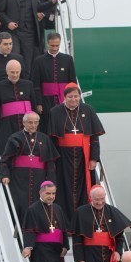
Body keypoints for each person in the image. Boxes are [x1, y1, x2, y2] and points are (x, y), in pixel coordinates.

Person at [48, 84, 105, 223]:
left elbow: (94, 138)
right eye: (70, 96)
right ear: (64, 97)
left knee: (83, 190)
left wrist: (94, 158)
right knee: (64, 189)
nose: (73, 99)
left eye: (76, 96)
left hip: (83, 157)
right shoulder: (55, 111)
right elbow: (52, 139)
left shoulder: (88, 110)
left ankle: (82, 220)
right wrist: (54, 160)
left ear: (80, 96)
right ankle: (65, 221)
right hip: (63, 157)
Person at [0, 0, 58, 78]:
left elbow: (38, 6)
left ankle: (26, 85)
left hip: (29, 32)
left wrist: (52, 2)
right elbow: (0, 11)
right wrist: (8, 22)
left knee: (28, 62)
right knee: (14, 57)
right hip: (14, 32)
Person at [0, 112, 59, 222]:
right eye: (30, 122)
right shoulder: (15, 137)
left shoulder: (44, 138)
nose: (33, 125)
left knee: (38, 203)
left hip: (39, 178)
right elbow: (4, 160)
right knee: (20, 203)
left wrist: (51, 181)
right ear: (23, 123)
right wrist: (4, 175)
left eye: (36, 123)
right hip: (19, 179)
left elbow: (50, 163)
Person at [22, 182, 71, 262]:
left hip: (57, 251)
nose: (51, 196)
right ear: (41, 192)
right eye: (48, 193)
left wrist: (65, 245)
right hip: (42, 251)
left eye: (53, 193)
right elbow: (29, 230)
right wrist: (28, 247)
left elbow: (63, 229)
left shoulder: (58, 208)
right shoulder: (33, 209)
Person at [0, 59, 39, 154]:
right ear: (7, 72)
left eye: (17, 72)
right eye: (12, 72)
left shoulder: (28, 85)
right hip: (7, 126)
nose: (15, 75)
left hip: (26, 125)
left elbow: (33, 107)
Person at [31, 32, 77, 132]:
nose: (55, 48)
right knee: (48, 126)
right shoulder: (39, 61)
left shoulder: (68, 59)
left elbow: (72, 82)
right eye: (52, 45)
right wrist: (38, 103)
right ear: (48, 43)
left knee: (64, 125)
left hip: (64, 99)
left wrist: (73, 99)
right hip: (46, 100)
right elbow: (36, 84)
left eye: (57, 45)